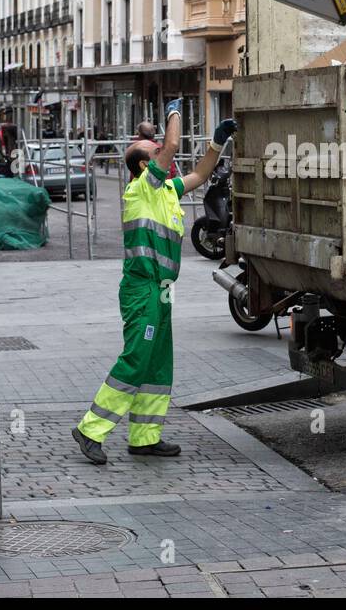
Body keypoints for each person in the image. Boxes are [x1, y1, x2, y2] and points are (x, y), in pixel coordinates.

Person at [72, 101, 237, 464]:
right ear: (146, 166)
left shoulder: (165, 190)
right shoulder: (141, 189)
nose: (163, 153)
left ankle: (145, 436)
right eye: (155, 152)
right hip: (142, 289)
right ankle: (90, 429)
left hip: (162, 290)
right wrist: (173, 113)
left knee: (158, 364)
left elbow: (201, 175)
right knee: (136, 359)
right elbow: (173, 146)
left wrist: (216, 144)